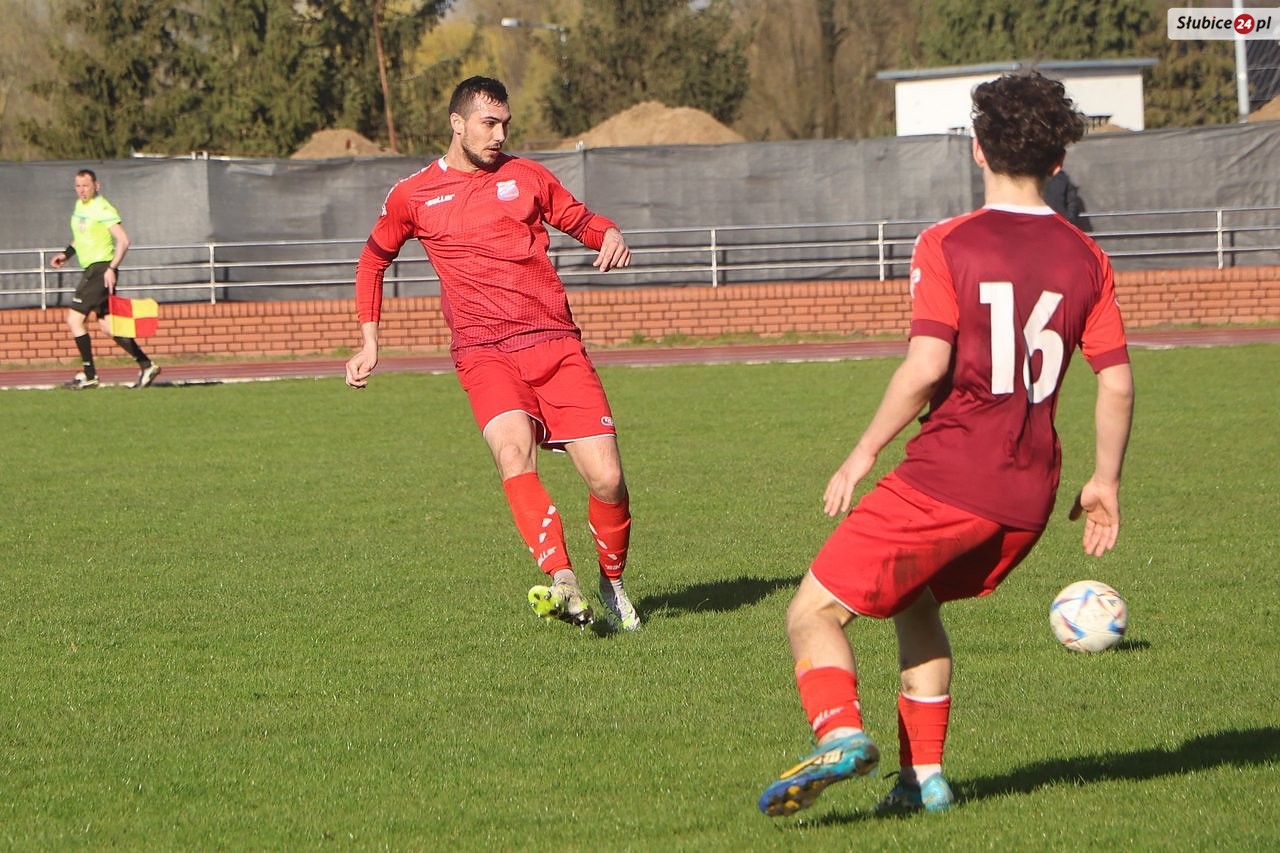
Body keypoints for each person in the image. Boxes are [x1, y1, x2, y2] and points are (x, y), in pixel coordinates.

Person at [758, 71, 1134, 817]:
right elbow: (1116, 383)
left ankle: (840, 735)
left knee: (812, 611)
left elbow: (927, 366)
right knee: (916, 598)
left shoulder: (948, 243)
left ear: (977, 149)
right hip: (1028, 497)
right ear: (1059, 160)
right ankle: (923, 780)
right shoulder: (1087, 258)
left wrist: (862, 452)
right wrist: (1105, 482)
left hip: (949, 477)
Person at [344, 76, 640, 631]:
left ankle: (613, 582)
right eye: (489, 123)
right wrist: (370, 339)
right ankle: (563, 581)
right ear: (457, 124)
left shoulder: (527, 176)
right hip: (484, 352)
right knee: (511, 454)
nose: (500, 135)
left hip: (555, 343)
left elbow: (579, 219)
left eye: (505, 124)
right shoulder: (413, 195)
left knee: (607, 479)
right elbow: (372, 260)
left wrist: (609, 233)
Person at [49, 169, 160, 390]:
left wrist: (111, 268)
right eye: (78, 186)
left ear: (96, 186)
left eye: (86, 186)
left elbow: (124, 240)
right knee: (108, 326)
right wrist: (66, 254)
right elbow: (81, 237)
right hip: (93, 269)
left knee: (74, 320)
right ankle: (146, 365)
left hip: (100, 270)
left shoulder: (102, 208)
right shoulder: (80, 206)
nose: (82, 190)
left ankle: (90, 375)